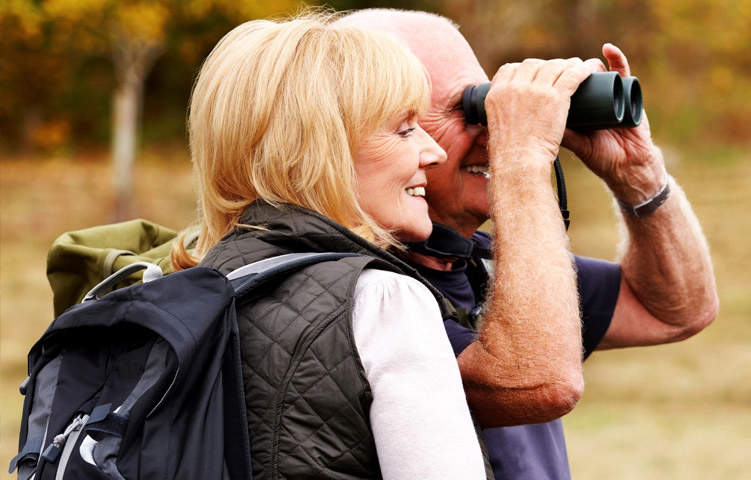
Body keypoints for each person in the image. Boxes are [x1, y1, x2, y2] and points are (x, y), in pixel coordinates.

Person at [336, 9, 721, 480]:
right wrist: (523, 158)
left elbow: (673, 310)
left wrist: (639, 175)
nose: (495, 130)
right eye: (468, 111)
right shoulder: (363, 293)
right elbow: (535, 381)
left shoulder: (482, 262)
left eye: (488, 103)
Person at [169, 13, 491, 479]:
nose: (433, 152)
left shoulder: (198, 286)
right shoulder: (383, 302)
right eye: (403, 129)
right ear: (319, 150)